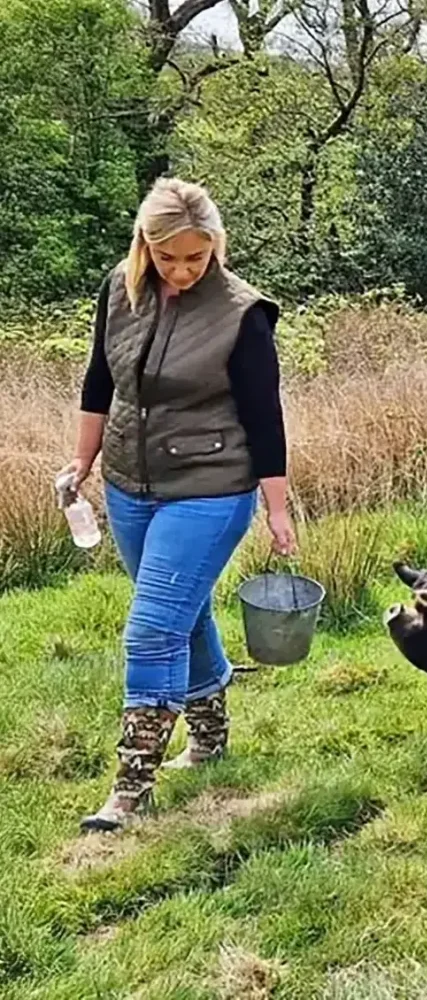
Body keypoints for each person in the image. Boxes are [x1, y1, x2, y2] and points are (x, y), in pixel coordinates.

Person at [60, 177, 296, 834]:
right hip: (131, 485)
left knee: (152, 629)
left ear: (215, 245)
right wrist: (83, 462)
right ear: (146, 246)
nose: (184, 270)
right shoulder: (120, 288)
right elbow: (99, 379)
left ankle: (131, 785)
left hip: (211, 487)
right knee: (181, 614)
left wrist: (277, 511)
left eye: (197, 256)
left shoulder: (241, 314)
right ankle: (212, 738)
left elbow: (264, 417)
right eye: (170, 258)